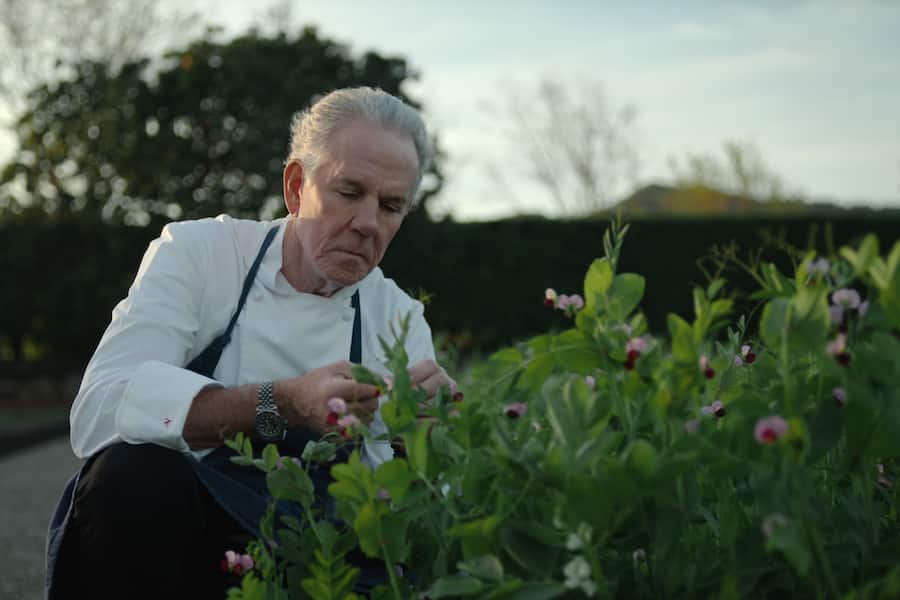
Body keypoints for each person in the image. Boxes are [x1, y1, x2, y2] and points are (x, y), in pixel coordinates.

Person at [45, 87, 457, 599]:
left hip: (320, 554)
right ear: (295, 185)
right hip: (187, 540)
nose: (368, 223)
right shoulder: (202, 255)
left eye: (391, 205)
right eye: (349, 192)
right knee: (133, 473)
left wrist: (429, 440)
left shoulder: (397, 315)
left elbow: (411, 503)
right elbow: (99, 413)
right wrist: (282, 402)